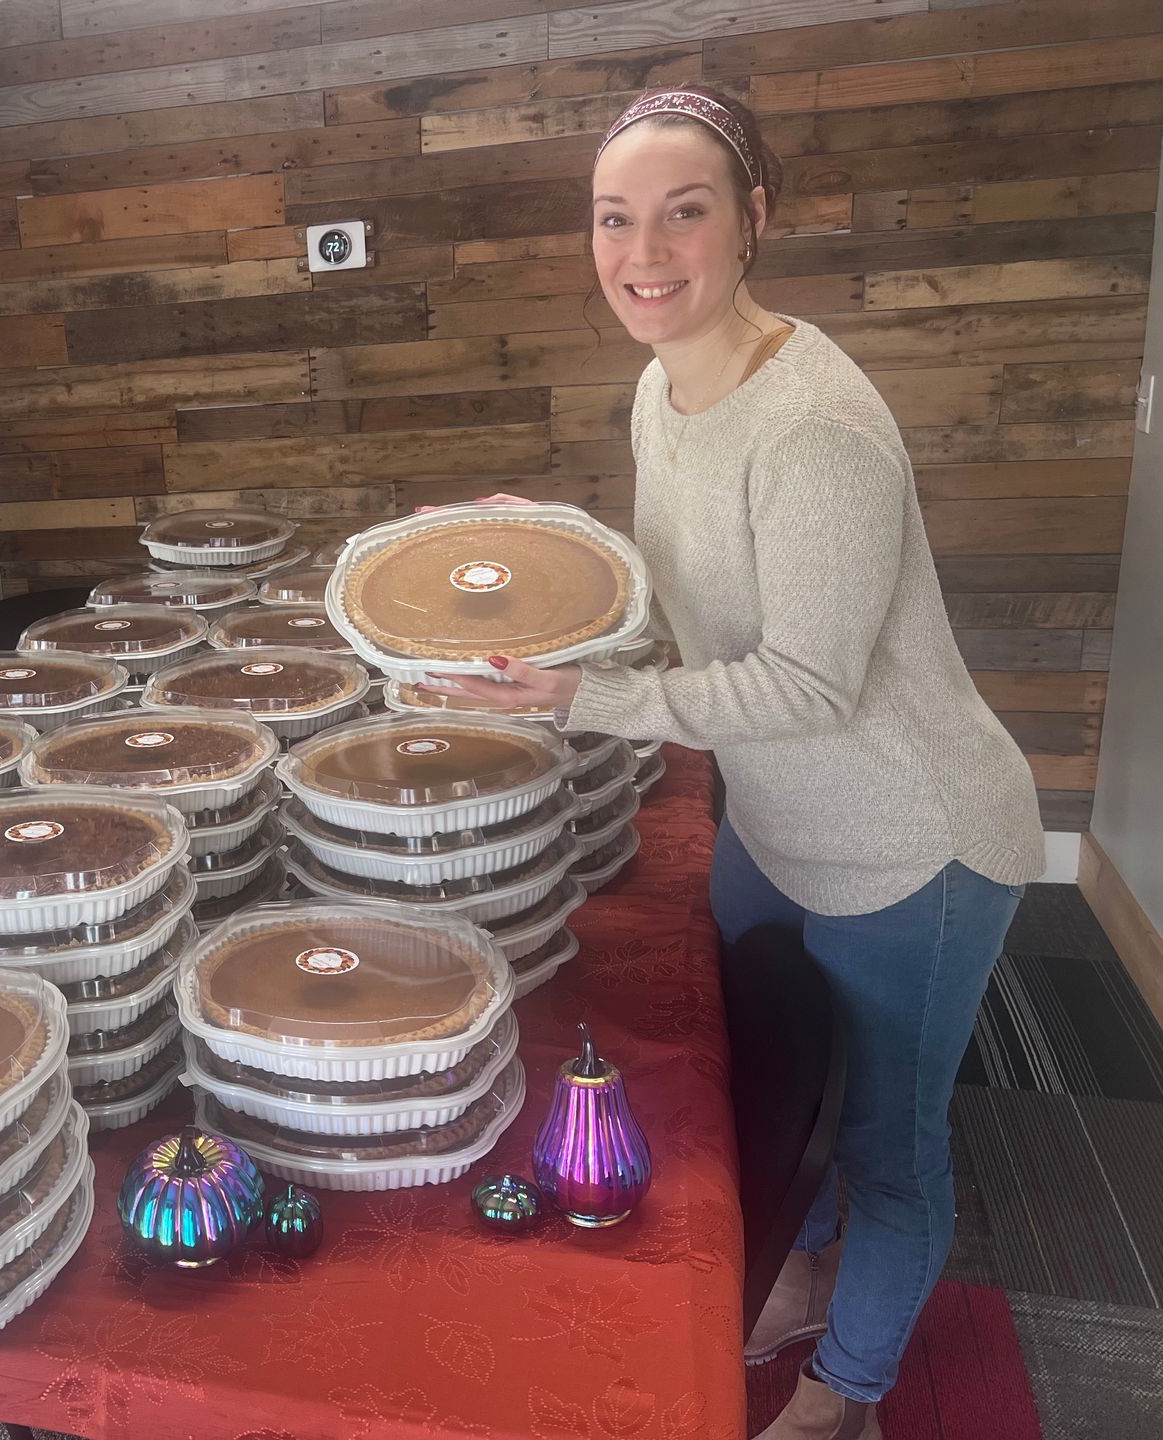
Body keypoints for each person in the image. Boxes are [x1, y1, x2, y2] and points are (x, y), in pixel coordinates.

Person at [421, 86, 1045, 1440]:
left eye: (684, 211)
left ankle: (846, 1395)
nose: (645, 249)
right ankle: (803, 1271)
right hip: (772, 815)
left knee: (887, 1143)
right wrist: (561, 541)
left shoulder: (816, 425)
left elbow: (808, 681)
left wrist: (586, 697)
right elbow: (695, 591)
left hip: (913, 842)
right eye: (614, 218)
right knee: (771, 1084)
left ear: (753, 221)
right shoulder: (664, 384)